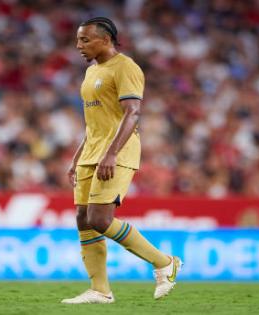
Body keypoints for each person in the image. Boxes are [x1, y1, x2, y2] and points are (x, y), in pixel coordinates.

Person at [61, 17, 182, 304]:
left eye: (85, 40)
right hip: (91, 153)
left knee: (100, 219)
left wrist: (112, 153)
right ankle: (100, 289)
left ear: (106, 39)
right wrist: (77, 157)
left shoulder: (126, 67)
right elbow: (95, 124)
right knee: (83, 218)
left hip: (117, 153)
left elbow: (133, 113)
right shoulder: (92, 72)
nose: (79, 46)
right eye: (78, 39)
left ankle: (165, 262)